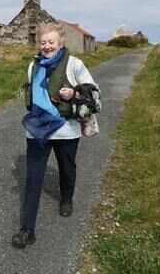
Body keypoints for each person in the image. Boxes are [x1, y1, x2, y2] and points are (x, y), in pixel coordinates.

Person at [11, 22, 100, 249]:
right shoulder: (33, 66)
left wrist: (73, 92)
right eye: (43, 42)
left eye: (51, 42)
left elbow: (94, 90)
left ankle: (67, 197)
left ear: (60, 43)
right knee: (33, 178)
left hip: (66, 130)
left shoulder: (75, 64)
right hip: (38, 129)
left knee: (67, 168)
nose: (47, 46)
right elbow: (27, 89)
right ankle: (27, 229)